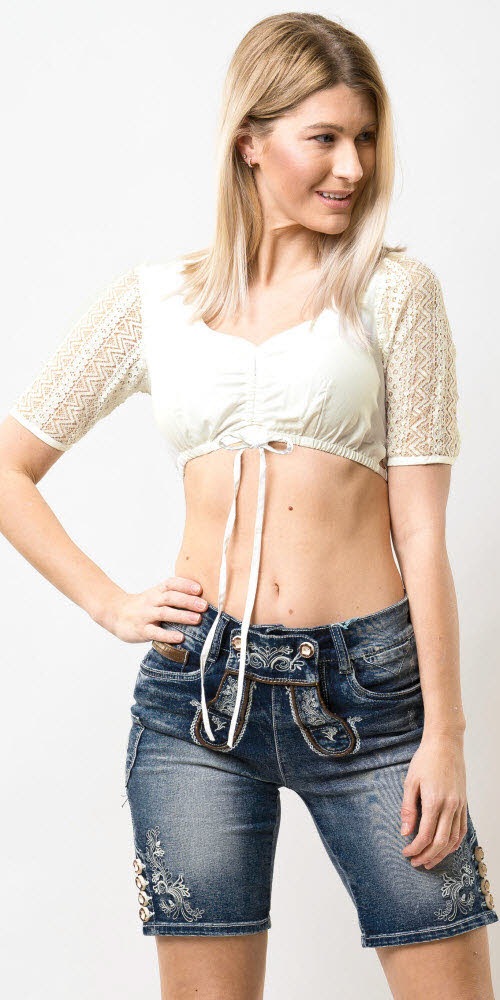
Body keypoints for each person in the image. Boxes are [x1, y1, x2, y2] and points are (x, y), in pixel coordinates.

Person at [0, 11, 497, 1000]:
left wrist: (443, 734)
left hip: (369, 696)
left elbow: (420, 530)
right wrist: (109, 603)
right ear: (250, 142)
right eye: (325, 138)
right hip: (194, 698)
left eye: (366, 138)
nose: (353, 166)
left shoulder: (396, 294)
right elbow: (10, 466)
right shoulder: (157, 302)